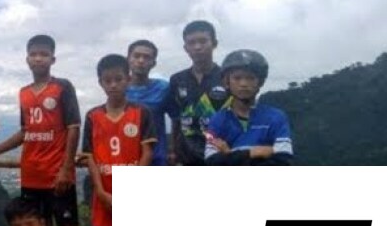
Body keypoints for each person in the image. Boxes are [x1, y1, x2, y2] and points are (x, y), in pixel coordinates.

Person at [0, 34, 86, 226]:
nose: (38, 58)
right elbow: (25, 131)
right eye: (34, 54)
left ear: (53, 59)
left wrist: (66, 167)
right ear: (27, 59)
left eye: (44, 54)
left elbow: (73, 127)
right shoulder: (24, 93)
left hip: (57, 174)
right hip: (31, 175)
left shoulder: (62, 87)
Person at [83, 54, 157, 226]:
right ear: (100, 83)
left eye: (118, 79)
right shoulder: (92, 116)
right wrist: (100, 192)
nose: (113, 85)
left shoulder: (142, 112)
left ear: (128, 79)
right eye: (108, 80)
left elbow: (147, 152)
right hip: (105, 194)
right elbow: (89, 156)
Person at [205, 50, 294, 165]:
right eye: (237, 78)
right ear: (226, 82)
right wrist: (251, 153)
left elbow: (283, 161)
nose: (243, 84)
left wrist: (230, 155)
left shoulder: (276, 117)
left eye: (250, 78)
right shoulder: (217, 120)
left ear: (260, 82)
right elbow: (212, 162)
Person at [166, 20, 230, 165]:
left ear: (214, 43)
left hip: (221, 155)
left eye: (203, 41)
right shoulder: (177, 79)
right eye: (191, 43)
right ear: (185, 48)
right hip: (186, 157)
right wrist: (173, 151)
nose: (197, 47)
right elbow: (176, 118)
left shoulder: (227, 78)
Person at [125, 39, 170, 165]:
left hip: (157, 159)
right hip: (126, 158)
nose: (141, 60)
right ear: (128, 59)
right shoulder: (119, 88)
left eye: (146, 57)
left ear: (153, 63)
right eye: (136, 56)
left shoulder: (163, 88)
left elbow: (176, 119)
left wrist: (173, 150)